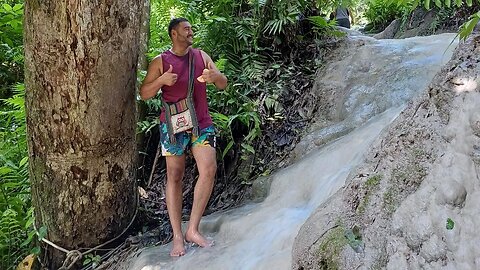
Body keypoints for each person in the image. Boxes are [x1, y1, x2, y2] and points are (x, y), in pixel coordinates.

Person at [140, 18, 228, 257]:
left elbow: (223, 83)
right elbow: (144, 93)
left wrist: (214, 77)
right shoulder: (160, 61)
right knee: (175, 176)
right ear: (173, 34)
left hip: (201, 124)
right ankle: (177, 236)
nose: (191, 32)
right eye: (186, 29)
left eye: (191, 28)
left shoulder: (201, 56)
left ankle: (193, 229)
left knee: (208, 169)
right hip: (172, 125)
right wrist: (160, 81)